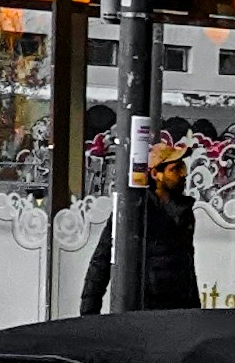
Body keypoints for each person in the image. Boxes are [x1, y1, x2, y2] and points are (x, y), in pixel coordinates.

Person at [78, 133, 201, 313]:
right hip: (144, 309)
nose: (183, 174)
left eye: (183, 168)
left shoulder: (184, 211)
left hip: (178, 309)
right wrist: (89, 310)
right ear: (155, 174)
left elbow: (188, 264)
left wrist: (194, 310)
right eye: (175, 169)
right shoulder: (134, 210)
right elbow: (102, 259)